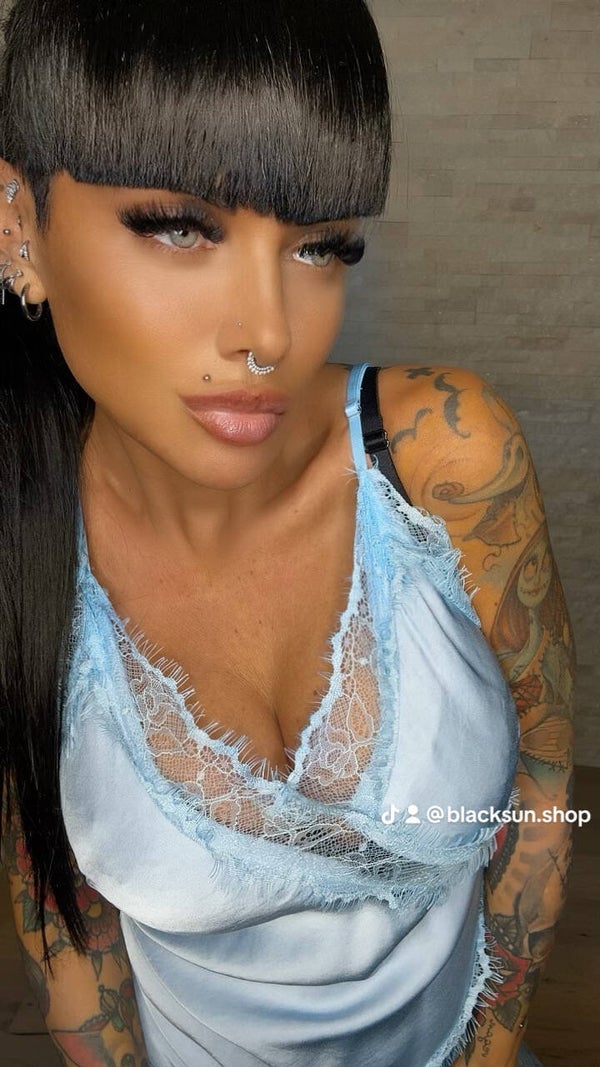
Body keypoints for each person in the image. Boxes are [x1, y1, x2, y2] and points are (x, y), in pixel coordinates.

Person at [0, 2, 575, 1066]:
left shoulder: (448, 460)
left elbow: (549, 788)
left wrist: (492, 1048)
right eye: (180, 227)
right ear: (16, 227)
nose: (270, 332)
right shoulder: (21, 551)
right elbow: (63, 925)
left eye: (320, 245)